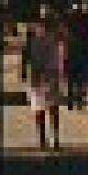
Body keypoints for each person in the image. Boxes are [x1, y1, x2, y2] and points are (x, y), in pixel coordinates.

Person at [21, 10, 69, 150]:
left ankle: (50, 139)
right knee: (45, 108)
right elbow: (26, 52)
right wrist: (24, 68)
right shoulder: (35, 33)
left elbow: (65, 49)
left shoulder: (56, 33)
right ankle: (47, 139)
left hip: (47, 74)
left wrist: (24, 69)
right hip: (42, 74)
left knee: (47, 108)